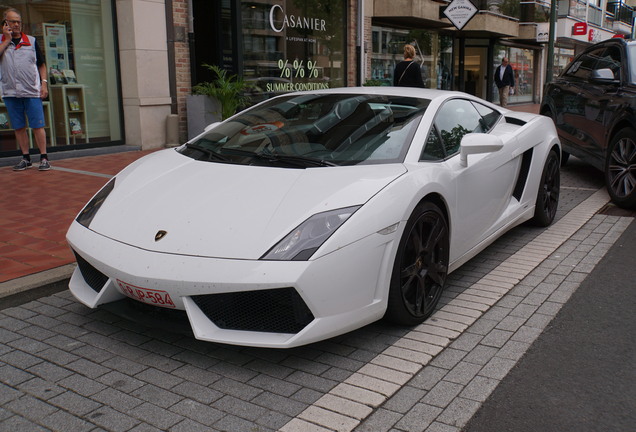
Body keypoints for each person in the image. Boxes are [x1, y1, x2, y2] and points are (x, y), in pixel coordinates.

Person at [0, 8, 50, 171]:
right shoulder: (1, 41)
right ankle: (26, 158)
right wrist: (6, 40)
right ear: (5, 23)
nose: (16, 24)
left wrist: (43, 84)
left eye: (18, 21)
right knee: (19, 127)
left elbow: (41, 64)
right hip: (10, 91)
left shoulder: (32, 41)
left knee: (37, 125)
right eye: (12, 21)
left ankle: (44, 157)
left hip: (31, 91)